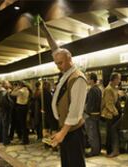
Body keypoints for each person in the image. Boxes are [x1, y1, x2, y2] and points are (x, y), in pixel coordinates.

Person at [40, 20, 87, 167]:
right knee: (66, 163)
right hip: (65, 129)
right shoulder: (66, 72)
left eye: (60, 63)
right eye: (56, 64)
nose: (58, 67)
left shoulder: (77, 78)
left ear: (70, 59)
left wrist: (62, 132)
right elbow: (55, 49)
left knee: (75, 164)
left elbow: (75, 112)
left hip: (73, 131)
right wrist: (43, 28)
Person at [101, 72, 122, 157]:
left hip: (113, 114)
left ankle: (114, 150)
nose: (119, 81)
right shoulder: (108, 89)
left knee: (112, 132)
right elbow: (108, 103)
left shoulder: (114, 88)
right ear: (114, 79)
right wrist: (116, 113)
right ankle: (109, 151)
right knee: (110, 133)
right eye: (118, 79)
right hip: (110, 115)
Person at [84, 73, 102, 157]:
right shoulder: (98, 89)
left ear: (92, 80)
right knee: (96, 132)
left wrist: (86, 110)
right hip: (97, 114)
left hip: (91, 115)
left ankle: (94, 151)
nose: (87, 80)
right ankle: (97, 149)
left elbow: (89, 104)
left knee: (92, 133)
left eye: (88, 79)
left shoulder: (92, 90)